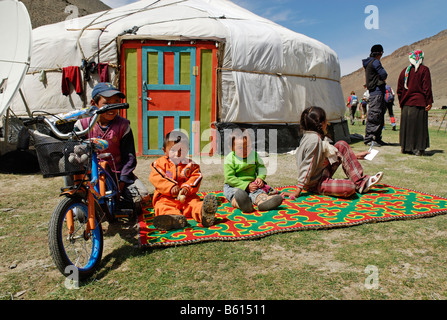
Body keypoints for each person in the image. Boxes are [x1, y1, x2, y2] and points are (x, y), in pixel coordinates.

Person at [74, 82, 149, 215]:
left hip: (117, 173)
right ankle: (79, 201)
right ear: (94, 103)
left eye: (116, 102)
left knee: (143, 196)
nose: (112, 107)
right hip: (90, 175)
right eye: (107, 103)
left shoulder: (123, 126)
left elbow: (130, 157)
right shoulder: (82, 125)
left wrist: (122, 182)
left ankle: (117, 198)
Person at [283, 106, 384, 199]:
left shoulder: (309, 136)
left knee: (341, 145)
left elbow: (332, 153)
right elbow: (307, 166)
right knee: (349, 187)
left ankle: (361, 183)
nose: (328, 122)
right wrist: (298, 190)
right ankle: (350, 184)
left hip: (321, 172)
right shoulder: (314, 140)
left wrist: (354, 156)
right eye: (326, 120)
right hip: (314, 183)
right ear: (321, 123)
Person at [149, 130, 218, 230]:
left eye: (182, 150)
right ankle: (173, 219)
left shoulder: (191, 165)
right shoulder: (159, 164)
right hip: (166, 198)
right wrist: (170, 187)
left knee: (194, 204)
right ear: (165, 151)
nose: (177, 154)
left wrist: (187, 187)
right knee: (162, 207)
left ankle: (204, 213)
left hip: (187, 198)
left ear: (187, 150)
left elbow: (196, 177)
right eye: (173, 150)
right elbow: (156, 177)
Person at [223, 128, 283, 213]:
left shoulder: (254, 155)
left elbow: (261, 168)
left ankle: (263, 201)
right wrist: (246, 186)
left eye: (247, 146)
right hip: (234, 186)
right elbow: (229, 178)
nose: (245, 150)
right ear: (231, 148)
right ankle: (241, 204)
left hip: (252, 185)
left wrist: (260, 178)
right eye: (240, 148)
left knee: (258, 192)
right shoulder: (230, 158)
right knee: (235, 194)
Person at [397, 50, 433, 156]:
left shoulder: (404, 71)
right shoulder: (424, 70)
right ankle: (419, 148)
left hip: (406, 104)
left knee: (407, 127)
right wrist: (429, 101)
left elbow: (399, 90)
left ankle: (406, 147)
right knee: (419, 127)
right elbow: (427, 87)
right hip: (419, 103)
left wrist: (402, 102)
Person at [362, 44, 388, 146]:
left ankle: (377, 138)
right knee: (375, 115)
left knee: (378, 115)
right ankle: (369, 138)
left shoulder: (369, 63)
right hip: (377, 92)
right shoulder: (375, 62)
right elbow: (384, 74)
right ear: (380, 53)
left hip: (375, 92)